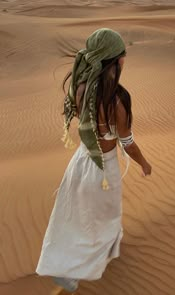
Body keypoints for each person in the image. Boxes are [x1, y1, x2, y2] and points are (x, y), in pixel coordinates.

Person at [35, 28, 152, 293]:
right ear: (116, 60)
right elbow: (128, 143)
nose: (125, 58)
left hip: (80, 162)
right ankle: (75, 272)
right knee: (103, 219)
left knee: (75, 217)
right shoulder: (118, 101)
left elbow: (85, 123)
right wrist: (144, 164)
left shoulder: (80, 87)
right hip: (104, 170)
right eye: (123, 54)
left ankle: (69, 261)